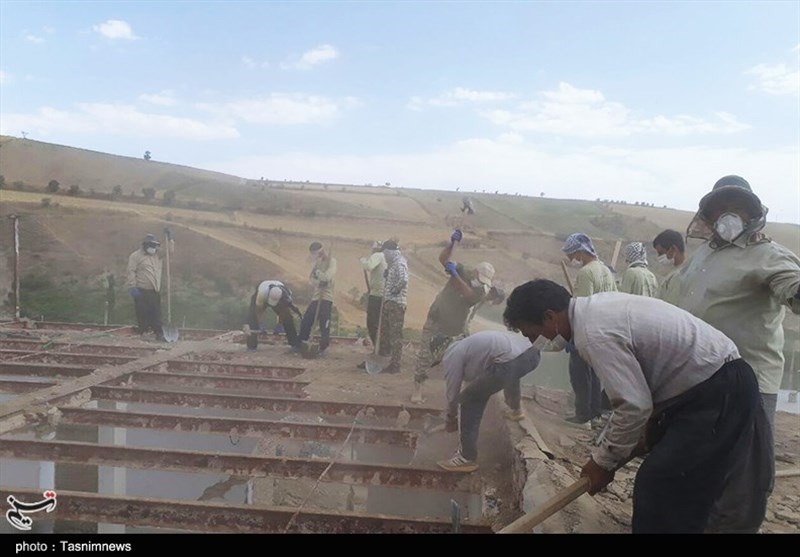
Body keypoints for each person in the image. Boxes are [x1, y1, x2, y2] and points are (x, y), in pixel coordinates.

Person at [503, 279, 772, 533]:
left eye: (532, 334)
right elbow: (642, 391)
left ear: (550, 316)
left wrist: (603, 462)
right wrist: (635, 438)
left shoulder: (593, 334)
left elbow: (633, 405)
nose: (533, 342)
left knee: (663, 483)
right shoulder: (595, 309)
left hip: (717, 389)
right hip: (706, 388)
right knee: (674, 485)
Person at [677, 175, 800, 531]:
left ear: (752, 215)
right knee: (700, 460)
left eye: (737, 209)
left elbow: (791, 286)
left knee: (744, 478)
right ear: (709, 217)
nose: (728, 217)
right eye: (720, 210)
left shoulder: (768, 255)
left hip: (748, 380)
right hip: (698, 377)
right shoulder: (705, 255)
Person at [431, 330, 540, 472]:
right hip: (532, 354)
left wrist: (450, 419)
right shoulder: (468, 346)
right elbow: (479, 381)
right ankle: (516, 410)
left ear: (440, 351)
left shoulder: (452, 353)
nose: (441, 364)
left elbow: (453, 395)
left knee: (469, 400)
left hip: (510, 361)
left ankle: (465, 458)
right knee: (510, 374)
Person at [412, 229, 494, 403]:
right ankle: (418, 387)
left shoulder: (481, 290)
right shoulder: (463, 269)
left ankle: (463, 392)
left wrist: (454, 275)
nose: (483, 282)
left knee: (461, 358)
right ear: (475, 272)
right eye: (482, 278)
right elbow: (443, 260)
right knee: (425, 354)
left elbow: (468, 295)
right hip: (437, 316)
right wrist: (451, 244)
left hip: (455, 326)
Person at [561, 232, 617, 427]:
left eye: (573, 255)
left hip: (586, 328)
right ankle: (594, 414)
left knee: (579, 374)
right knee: (594, 374)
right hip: (603, 328)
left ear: (579, 252)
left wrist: (573, 336)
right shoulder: (605, 270)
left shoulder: (586, 273)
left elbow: (582, 306)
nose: (573, 260)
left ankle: (583, 415)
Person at [297, 241, 337, 355]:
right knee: (306, 321)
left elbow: (328, 277)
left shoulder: (332, 262)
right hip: (316, 297)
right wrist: (318, 281)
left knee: (325, 323)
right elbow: (311, 279)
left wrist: (321, 276)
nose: (317, 256)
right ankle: (301, 343)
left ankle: (323, 348)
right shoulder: (317, 264)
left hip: (326, 297)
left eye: (318, 254)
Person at [126, 234, 165, 341]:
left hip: (154, 290)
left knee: (156, 313)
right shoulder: (135, 256)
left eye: (155, 245)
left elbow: (170, 252)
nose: (153, 247)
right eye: (151, 245)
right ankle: (143, 331)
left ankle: (158, 332)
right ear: (145, 245)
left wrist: (170, 239)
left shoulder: (158, 255)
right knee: (142, 313)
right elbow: (131, 271)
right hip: (141, 290)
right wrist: (132, 286)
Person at [377, 240, 408, 374]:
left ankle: (395, 364)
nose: (384, 256)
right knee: (386, 332)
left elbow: (403, 279)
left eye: (385, 253)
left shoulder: (399, 263)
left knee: (395, 335)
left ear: (389, 252)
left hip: (396, 303)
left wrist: (394, 291)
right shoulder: (393, 264)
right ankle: (386, 360)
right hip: (389, 302)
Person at [244, 280, 302, 350]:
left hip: (279, 297)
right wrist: (260, 324)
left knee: (288, 317)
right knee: (252, 316)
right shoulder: (262, 293)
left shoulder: (286, 296)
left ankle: (294, 344)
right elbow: (258, 311)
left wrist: (279, 324)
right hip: (262, 291)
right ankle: (251, 345)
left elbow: (283, 311)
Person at [359, 241, 386, 351]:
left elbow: (369, 266)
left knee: (372, 323)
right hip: (383, 295)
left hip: (376, 295)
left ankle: (378, 349)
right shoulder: (385, 258)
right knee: (381, 324)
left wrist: (363, 261)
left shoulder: (378, 256)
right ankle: (382, 349)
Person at [651, 229, 686, 306]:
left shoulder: (679, 276)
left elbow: (670, 306)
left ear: (673, 249)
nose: (659, 257)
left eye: (661, 253)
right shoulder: (675, 273)